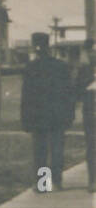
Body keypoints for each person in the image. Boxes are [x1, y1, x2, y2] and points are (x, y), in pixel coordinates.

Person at [19, 32, 74, 191]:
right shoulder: (61, 66)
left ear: (35, 48)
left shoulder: (30, 68)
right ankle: (57, 181)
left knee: (40, 151)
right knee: (57, 149)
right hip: (57, 115)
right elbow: (68, 93)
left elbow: (26, 96)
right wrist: (69, 114)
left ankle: (43, 184)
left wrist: (25, 119)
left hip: (38, 116)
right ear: (48, 46)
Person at [76, 39, 96, 193]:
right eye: (91, 51)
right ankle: (93, 180)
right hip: (91, 112)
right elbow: (77, 91)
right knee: (92, 146)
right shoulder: (83, 71)